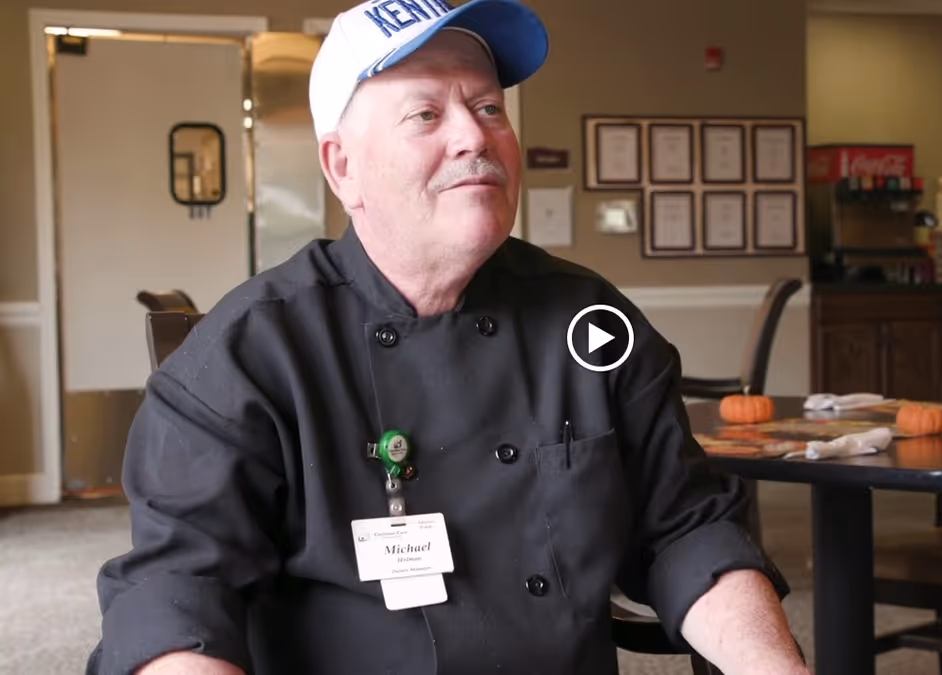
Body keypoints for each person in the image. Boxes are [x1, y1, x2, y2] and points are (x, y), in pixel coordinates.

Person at [87, 1, 809, 674]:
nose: (475, 135)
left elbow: (688, 528)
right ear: (343, 167)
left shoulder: (589, 321)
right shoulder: (247, 354)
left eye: (489, 106)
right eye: (426, 113)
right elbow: (176, 597)